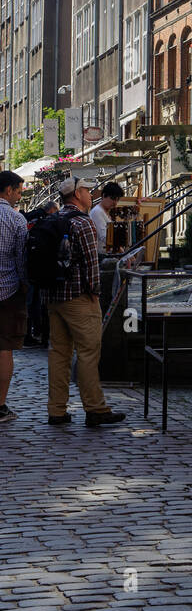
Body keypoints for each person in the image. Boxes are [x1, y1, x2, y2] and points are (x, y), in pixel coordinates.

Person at [44, 176, 125, 428]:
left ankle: (56, 410)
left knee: (58, 354)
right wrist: (95, 293)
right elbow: (91, 264)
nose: (92, 194)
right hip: (79, 297)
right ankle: (95, 408)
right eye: (88, 190)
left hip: (54, 297)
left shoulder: (52, 219)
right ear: (77, 194)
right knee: (89, 352)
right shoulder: (83, 222)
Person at [0, 170, 29, 423]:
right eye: (18, 191)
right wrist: (25, 286)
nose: (19, 196)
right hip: (7, 291)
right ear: (8, 190)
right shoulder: (15, 219)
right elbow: (21, 261)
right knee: (4, 349)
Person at [24, 200, 58, 345]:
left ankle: (31, 333)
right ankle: (39, 334)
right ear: (51, 210)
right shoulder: (47, 221)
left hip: (30, 264)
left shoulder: (32, 216)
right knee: (37, 302)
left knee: (32, 302)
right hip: (42, 267)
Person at [90, 181, 124, 254]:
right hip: (102, 256)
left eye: (117, 200)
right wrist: (122, 252)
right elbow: (105, 237)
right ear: (103, 196)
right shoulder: (97, 212)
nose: (115, 202)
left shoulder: (105, 212)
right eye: (113, 198)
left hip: (108, 254)